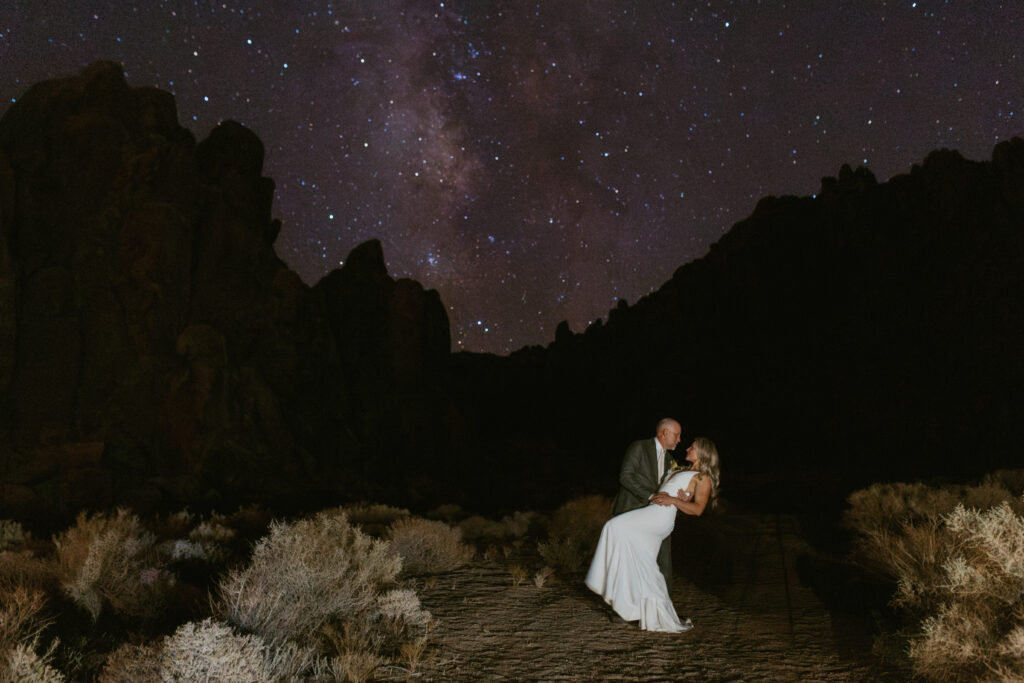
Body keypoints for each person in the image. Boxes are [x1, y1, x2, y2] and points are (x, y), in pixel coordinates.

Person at [585, 437, 721, 632]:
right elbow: (673, 491)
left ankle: (602, 582)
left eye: (693, 447)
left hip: (659, 517)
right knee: (645, 564)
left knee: (614, 527)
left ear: (703, 453)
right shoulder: (683, 469)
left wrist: (674, 500)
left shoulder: (702, 477)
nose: (688, 448)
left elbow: (698, 509)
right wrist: (678, 496)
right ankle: (637, 608)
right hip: (652, 511)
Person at [610, 418, 682, 591]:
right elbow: (626, 476)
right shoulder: (639, 447)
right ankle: (620, 613)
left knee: (664, 565)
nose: (679, 440)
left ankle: (665, 612)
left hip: (657, 519)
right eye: (677, 435)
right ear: (665, 432)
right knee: (628, 565)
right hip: (632, 513)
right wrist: (651, 496)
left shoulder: (671, 460)